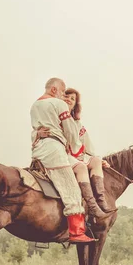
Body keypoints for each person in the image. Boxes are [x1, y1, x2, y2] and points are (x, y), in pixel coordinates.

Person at [30, 78, 96, 243]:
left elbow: (35, 131)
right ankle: (76, 232)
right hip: (55, 151)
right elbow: (71, 133)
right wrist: (74, 147)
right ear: (54, 90)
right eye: (62, 91)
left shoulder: (34, 106)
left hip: (38, 151)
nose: (63, 96)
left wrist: (39, 135)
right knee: (71, 189)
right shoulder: (59, 104)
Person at [37, 88, 117, 217]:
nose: (69, 99)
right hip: (59, 155)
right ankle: (92, 206)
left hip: (76, 156)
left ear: (75, 105)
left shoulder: (77, 124)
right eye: (66, 96)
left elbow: (87, 147)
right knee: (81, 168)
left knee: (96, 160)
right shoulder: (51, 118)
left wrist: (98, 160)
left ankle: (101, 201)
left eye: (72, 99)